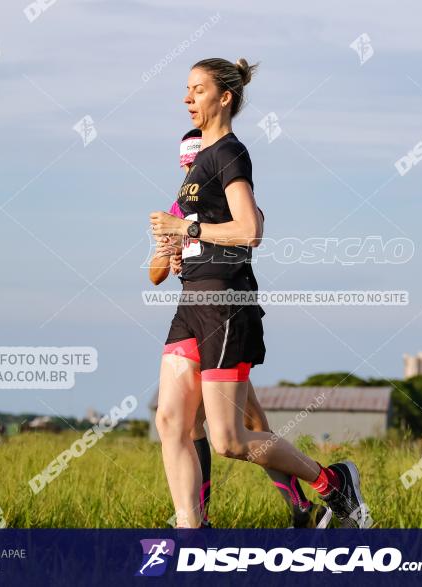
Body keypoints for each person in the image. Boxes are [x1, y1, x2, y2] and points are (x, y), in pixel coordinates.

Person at [149, 57, 370, 529]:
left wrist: (184, 226)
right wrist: (173, 243)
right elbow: (204, 233)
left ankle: (332, 483)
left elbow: (250, 230)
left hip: (225, 300)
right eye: (185, 89)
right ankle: (192, 533)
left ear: (223, 97)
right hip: (192, 300)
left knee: (230, 439)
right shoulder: (196, 166)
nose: (186, 98)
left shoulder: (230, 153)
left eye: (197, 89)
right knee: (172, 422)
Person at [148, 129, 331, 529]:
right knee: (192, 423)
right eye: (185, 163)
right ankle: (199, 521)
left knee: (246, 426)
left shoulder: (232, 198)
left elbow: (249, 235)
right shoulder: (177, 208)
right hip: (193, 314)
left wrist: (191, 237)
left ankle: (305, 500)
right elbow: (155, 274)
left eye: (193, 162)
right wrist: (171, 249)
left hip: (226, 311)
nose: (188, 170)